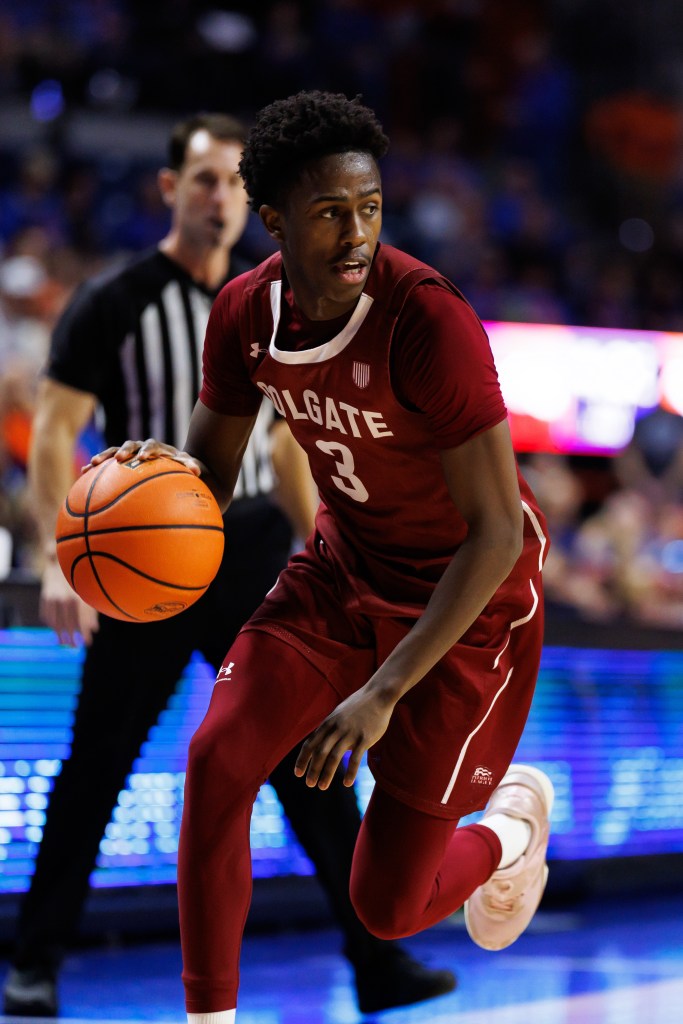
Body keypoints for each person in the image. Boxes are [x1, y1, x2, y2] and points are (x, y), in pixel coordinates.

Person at [95, 91, 554, 1023]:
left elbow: (496, 533)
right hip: (342, 572)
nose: (356, 233)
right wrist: (151, 487)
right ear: (273, 219)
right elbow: (210, 479)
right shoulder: (244, 314)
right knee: (219, 758)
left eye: (371, 207)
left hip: (470, 603)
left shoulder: (427, 320)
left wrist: (383, 690)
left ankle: (507, 828)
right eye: (330, 212)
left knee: (383, 908)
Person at [2, 112, 456, 1019]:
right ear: (170, 190)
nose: (219, 199)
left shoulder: (276, 303)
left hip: (247, 541)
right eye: (202, 180)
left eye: (231, 186)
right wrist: (62, 552)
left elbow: (286, 442)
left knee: (307, 758)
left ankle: (379, 961)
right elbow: (54, 427)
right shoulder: (116, 299)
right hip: (150, 547)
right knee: (99, 760)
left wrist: (334, 546)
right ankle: (36, 961)